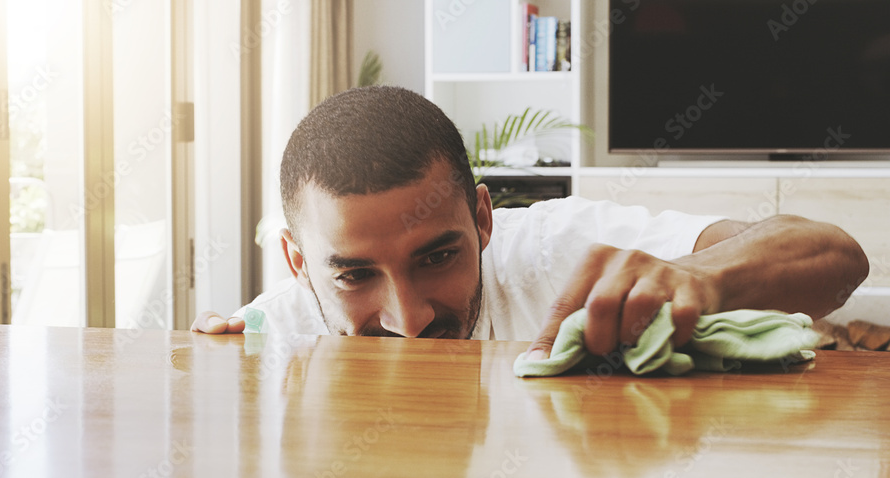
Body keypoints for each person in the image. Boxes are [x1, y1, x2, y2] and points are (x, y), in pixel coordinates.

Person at [191, 85, 869, 360]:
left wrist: (695, 278)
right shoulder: (265, 342)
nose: (409, 318)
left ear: (484, 217)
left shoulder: (556, 246)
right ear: (298, 262)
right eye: (355, 274)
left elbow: (835, 256)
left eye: (436, 256)